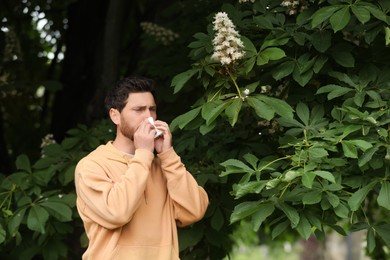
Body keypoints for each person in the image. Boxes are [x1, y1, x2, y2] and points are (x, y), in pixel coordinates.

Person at [74, 76, 209, 260]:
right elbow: (117, 213)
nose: (148, 117)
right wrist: (144, 154)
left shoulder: (164, 165)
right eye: (138, 110)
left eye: (152, 109)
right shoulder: (91, 166)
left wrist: (168, 155)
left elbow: (194, 211)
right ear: (115, 115)